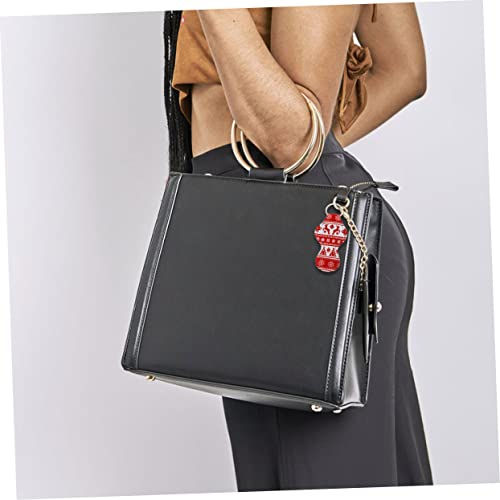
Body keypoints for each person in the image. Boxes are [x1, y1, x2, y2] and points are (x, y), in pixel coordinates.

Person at [163, 3, 433, 491]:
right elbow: (404, 69)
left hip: (298, 246)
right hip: (274, 229)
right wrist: (309, 148)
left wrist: (300, 146)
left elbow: (293, 143)